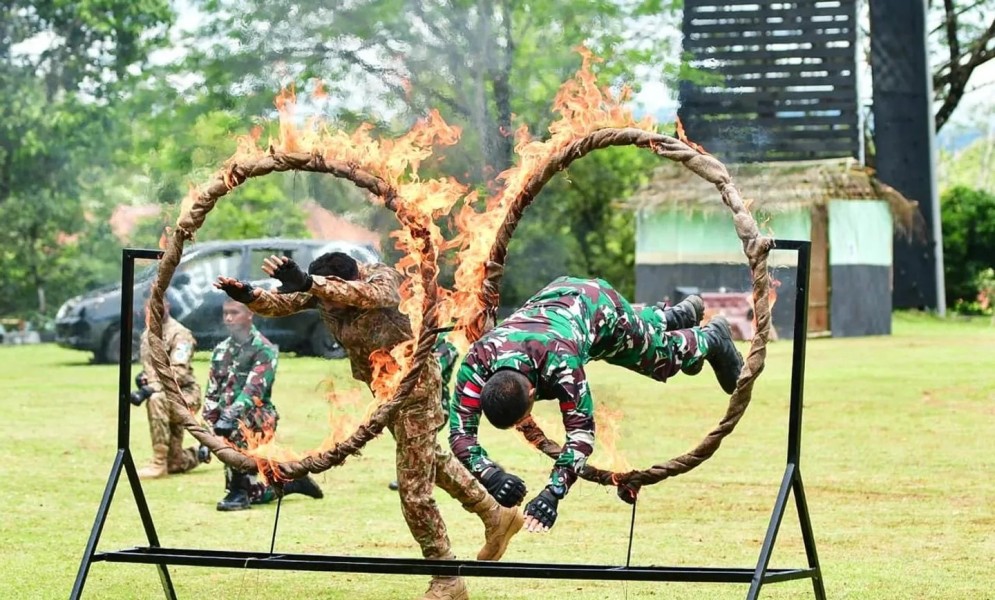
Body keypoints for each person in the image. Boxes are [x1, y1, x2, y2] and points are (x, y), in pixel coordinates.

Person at [215, 252, 524, 600]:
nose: (333, 308)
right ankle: (496, 514)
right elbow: (284, 302)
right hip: (385, 391)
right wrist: (249, 295)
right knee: (430, 460)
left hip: (415, 388)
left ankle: (447, 577)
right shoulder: (324, 290)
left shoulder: (379, 278)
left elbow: (376, 296)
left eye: (333, 294)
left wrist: (310, 283)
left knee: (413, 490)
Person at [448, 276, 744, 534]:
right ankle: (675, 317)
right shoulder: (477, 360)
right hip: (559, 298)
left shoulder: (561, 362)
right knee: (639, 333)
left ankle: (711, 338)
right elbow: (460, 435)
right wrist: (491, 474)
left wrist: (553, 493)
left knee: (660, 359)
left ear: (532, 392)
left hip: (597, 308)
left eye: (525, 415)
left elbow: (580, 434)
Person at [202, 299, 324, 511]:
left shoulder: (264, 349)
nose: (228, 318)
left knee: (238, 422)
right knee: (255, 493)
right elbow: (212, 393)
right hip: (227, 421)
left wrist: (228, 418)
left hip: (256, 418)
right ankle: (288, 483)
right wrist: (206, 435)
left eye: (235, 313)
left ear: (250, 314)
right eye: (225, 313)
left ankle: (238, 492)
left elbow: (253, 392)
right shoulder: (220, 351)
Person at [134, 296, 210, 479]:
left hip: (186, 397)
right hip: (164, 394)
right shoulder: (147, 335)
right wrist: (143, 379)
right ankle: (202, 451)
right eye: (150, 305)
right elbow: (150, 369)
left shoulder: (181, 334)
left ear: (167, 305)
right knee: (175, 463)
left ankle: (158, 463)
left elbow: (179, 372)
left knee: (156, 399)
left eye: (160, 303)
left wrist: (152, 388)